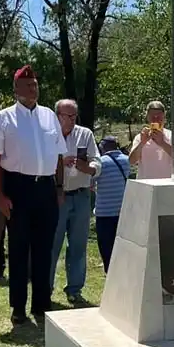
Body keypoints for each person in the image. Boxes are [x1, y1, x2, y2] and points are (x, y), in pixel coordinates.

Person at [0, 65, 66, 325]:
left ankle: (41, 305)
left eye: (35, 84)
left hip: (45, 188)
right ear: (16, 89)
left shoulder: (49, 116)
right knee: (19, 247)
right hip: (17, 187)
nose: (33, 89)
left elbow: (59, 155)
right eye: (28, 85)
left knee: (44, 248)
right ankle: (18, 307)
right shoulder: (3, 118)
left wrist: (59, 188)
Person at [49, 99, 101, 305]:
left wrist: (88, 167)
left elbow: (97, 161)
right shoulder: (48, 135)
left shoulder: (85, 134)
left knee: (78, 246)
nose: (70, 120)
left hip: (81, 195)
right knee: (52, 245)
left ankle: (75, 290)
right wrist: (60, 163)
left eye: (73, 116)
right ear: (56, 115)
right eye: (66, 116)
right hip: (56, 197)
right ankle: (46, 289)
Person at [93, 135, 130, 271]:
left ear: (103, 146)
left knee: (106, 246)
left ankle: (110, 272)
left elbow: (91, 184)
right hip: (123, 210)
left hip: (104, 212)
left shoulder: (100, 163)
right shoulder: (127, 160)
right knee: (123, 244)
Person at [129, 100, 173, 179]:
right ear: (147, 117)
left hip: (167, 184)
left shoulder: (171, 136)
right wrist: (142, 143)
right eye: (152, 116)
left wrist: (162, 143)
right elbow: (131, 161)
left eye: (158, 116)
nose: (155, 119)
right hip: (146, 185)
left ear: (164, 116)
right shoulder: (140, 137)